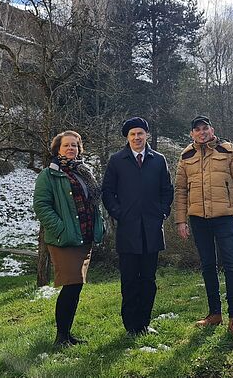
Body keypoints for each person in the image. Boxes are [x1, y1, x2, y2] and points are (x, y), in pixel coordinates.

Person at [175, 116, 233, 343]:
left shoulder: (228, 151)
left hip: (225, 219)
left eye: (205, 128)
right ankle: (214, 314)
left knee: (231, 267)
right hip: (198, 220)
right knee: (208, 267)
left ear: (212, 129)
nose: (201, 132)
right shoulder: (186, 156)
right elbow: (180, 190)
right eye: (197, 129)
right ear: (192, 134)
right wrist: (181, 221)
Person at [102, 117, 174, 336]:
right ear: (127, 137)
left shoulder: (158, 160)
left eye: (140, 133)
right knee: (130, 280)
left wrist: (163, 211)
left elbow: (167, 189)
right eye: (132, 134)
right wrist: (118, 213)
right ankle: (131, 326)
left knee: (149, 280)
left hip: (152, 230)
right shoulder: (117, 160)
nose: (137, 137)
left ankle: (144, 323)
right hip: (128, 230)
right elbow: (107, 192)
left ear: (147, 135)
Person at [33, 130, 105, 347]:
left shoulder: (84, 173)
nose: (71, 148)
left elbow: (93, 203)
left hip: (84, 237)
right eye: (67, 145)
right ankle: (61, 337)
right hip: (65, 240)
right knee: (71, 284)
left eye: (75, 145)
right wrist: (61, 228)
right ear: (58, 149)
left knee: (76, 286)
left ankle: (66, 335)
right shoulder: (49, 174)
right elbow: (41, 206)